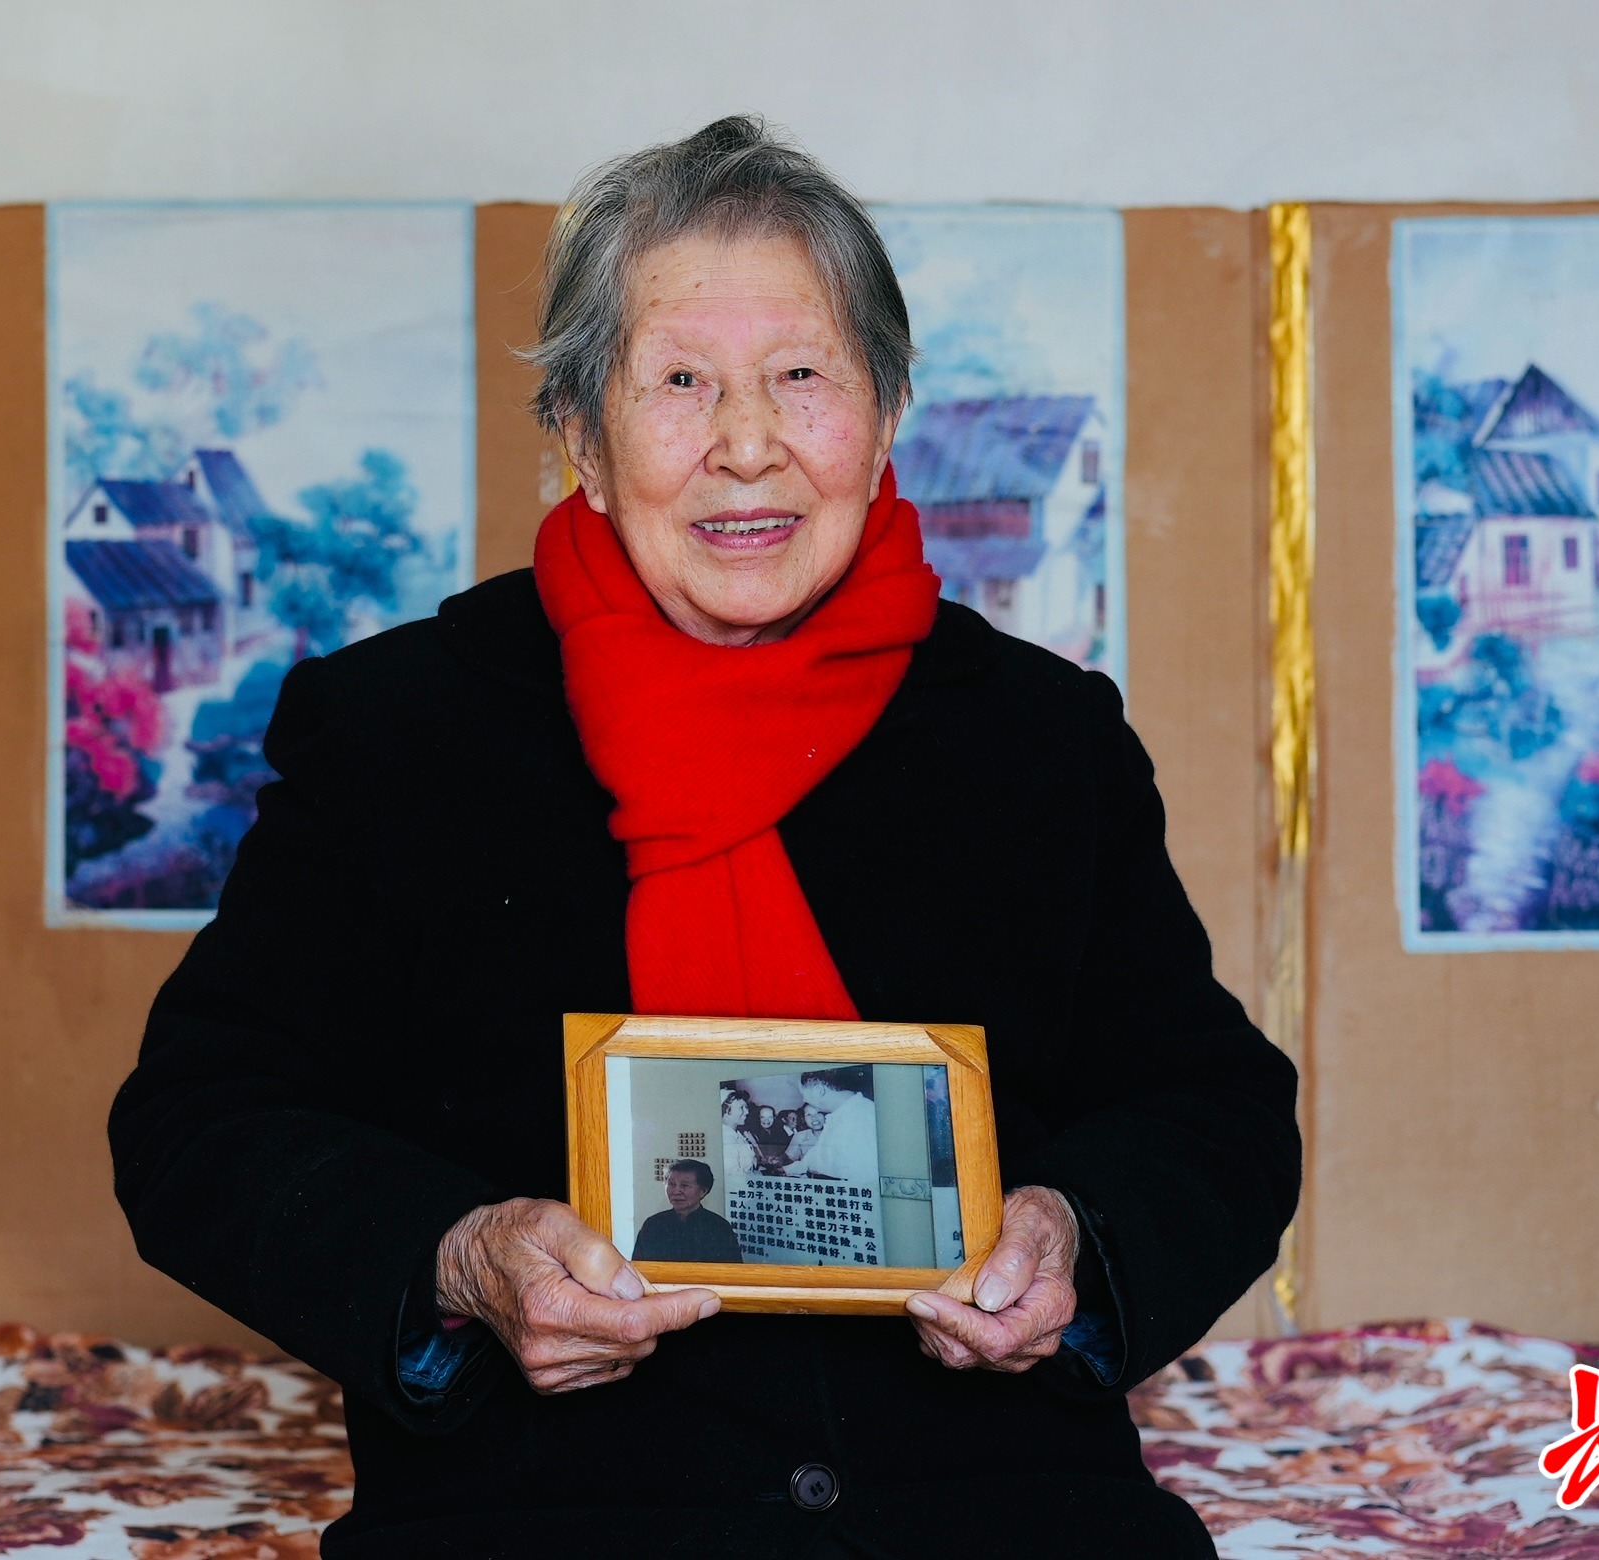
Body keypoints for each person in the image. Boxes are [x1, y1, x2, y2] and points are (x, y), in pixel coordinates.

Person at [111, 115, 1299, 1557]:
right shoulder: (397, 734)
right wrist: (461, 1258)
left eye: (803, 376)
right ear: (581, 438)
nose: (747, 446)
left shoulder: (1040, 739)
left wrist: (1074, 1239)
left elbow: (1214, 1109)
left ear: (887, 412)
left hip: (990, 1514)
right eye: (679, 382)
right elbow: (198, 1121)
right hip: (547, 1521)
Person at [631, 1160, 744, 1262]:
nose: (676, 1191)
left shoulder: (719, 1227)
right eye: (671, 1184)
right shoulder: (653, 1224)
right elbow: (638, 1266)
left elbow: (733, 1269)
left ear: (703, 1191)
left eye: (684, 1185)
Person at [789, 1068, 877, 1182]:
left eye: (803, 1095)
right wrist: (787, 1170)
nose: (804, 1099)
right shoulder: (839, 1115)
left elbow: (864, 1179)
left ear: (818, 1091)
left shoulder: (860, 1118)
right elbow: (818, 1158)